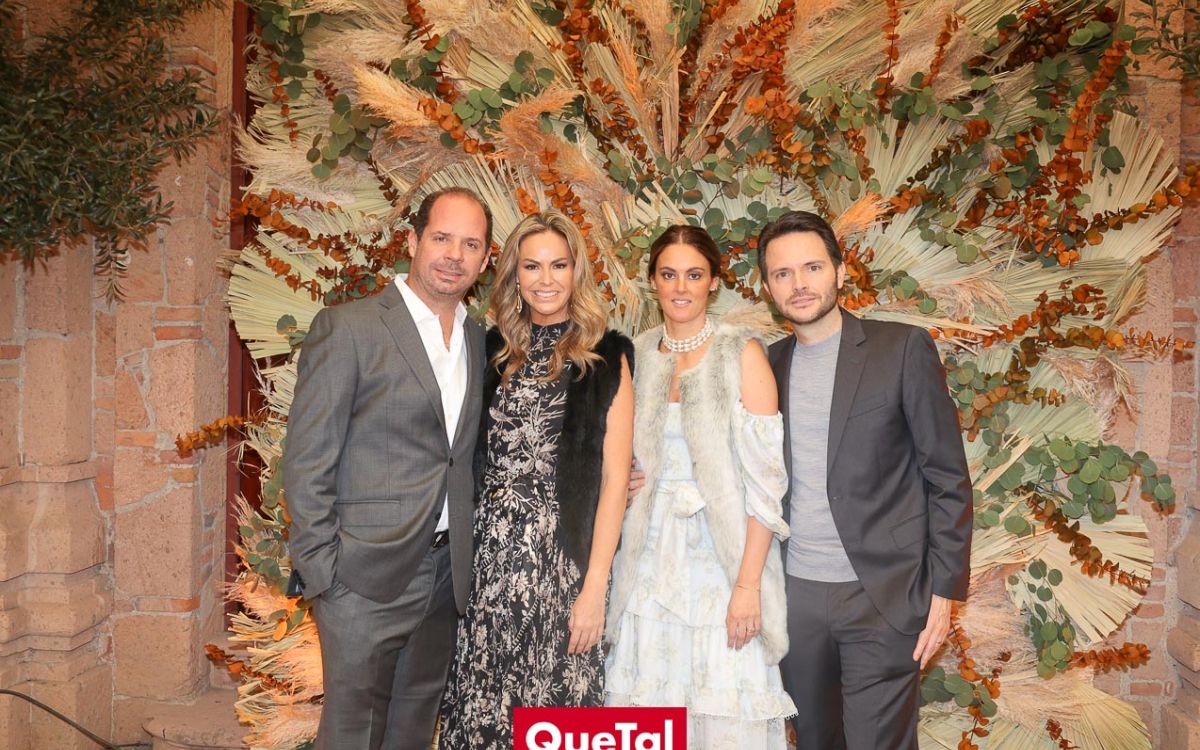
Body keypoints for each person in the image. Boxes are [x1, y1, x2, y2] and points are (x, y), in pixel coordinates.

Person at [283, 187, 492, 750]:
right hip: (362, 578)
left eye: (470, 244)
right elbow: (307, 459)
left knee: (413, 732)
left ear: (484, 260)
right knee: (352, 736)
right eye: (442, 238)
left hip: (447, 575)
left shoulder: (478, 340)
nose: (454, 255)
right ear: (413, 240)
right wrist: (326, 574)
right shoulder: (349, 328)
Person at [759, 210, 973, 749]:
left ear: (840, 270)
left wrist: (944, 591)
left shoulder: (900, 349)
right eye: (782, 273)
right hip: (794, 598)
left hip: (883, 595)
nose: (799, 283)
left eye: (812, 267)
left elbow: (947, 475)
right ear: (767, 288)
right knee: (814, 740)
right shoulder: (764, 366)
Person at [438, 210, 634, 747]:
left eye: (558, 265)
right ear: (514, 275)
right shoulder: (488, 350)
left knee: (556, 718)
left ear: (576, 272)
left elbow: (615, 480)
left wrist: (594, 588)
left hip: (564, 565)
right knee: (483, 708)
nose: (546, 279)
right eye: (532, 266)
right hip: (487, 563)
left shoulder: (606, 356)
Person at [605, 225, 796, 748]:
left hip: (723, 565)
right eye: (669, 275)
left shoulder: (741, 352)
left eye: (694, 275)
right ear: (653, 281)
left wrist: (747, 587)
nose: (681, 287)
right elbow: (614, 453)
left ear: (713, 282)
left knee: (724, 709)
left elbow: (767, 486)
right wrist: (622, 482)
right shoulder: (636, 354)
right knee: (646, 714)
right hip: (647, 565)